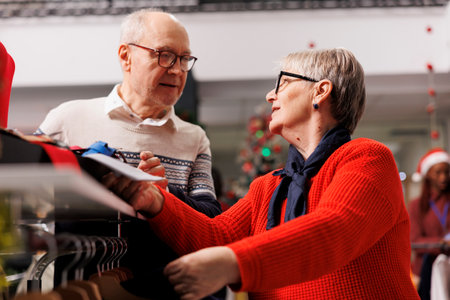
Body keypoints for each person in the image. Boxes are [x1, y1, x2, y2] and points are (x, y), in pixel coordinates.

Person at [105, 47, 420, 299]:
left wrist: (235, 262)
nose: (271, 95)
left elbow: (334, 230)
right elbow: (216, 237)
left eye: (283, 83)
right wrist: (157, 202)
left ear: (320, 91)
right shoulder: (268, 187)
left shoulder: (366, 158)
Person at [33, 9, 222, 299]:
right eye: (165, 55)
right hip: (78, 287)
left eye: (184, 59)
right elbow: (25, 195)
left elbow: (210, 222)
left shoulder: (193, 138)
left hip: (166, 290)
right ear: (125, 56)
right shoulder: (68, 119)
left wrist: (165, 197)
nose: (177, 70)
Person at [408, 148, 450, 299]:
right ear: (427, 174)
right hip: (426, 271)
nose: (443, 177)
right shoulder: (417, 205)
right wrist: (441, 243)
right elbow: (414, 241)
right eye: (438, 172)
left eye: (447, 172)